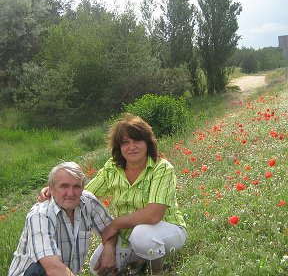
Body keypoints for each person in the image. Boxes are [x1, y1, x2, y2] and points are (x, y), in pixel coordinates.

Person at [39, 113, 187, 275]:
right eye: (125, 142)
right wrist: (53, 192)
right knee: (98, 268)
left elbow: (153, 215)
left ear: (148, 143)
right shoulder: (113, 168)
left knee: (142, 236)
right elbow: (84, 196)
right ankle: (140, 260)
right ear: (119, 147)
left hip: (167, 230)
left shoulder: (161, 168)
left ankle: (157, 270)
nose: (132, 147)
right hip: (128, 235)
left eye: (137, 140)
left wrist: (115, 225)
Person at [8, 162, 118, 276]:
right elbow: (53, 268)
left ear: (82, 188)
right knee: (41, 270)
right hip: (37, 273)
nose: (70, 193)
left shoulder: (88, 202)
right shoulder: (40, 215)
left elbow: (111, 228)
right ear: (51, 189)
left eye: (76, 186)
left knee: (121, 245)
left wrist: (109, 246)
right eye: (64, 186)